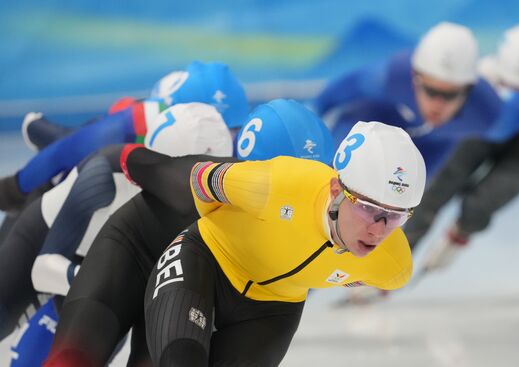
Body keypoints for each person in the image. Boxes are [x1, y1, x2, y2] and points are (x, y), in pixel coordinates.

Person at [107, 120, 426, 366]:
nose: (379, 229)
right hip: (207, 262)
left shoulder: (392, 265)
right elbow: (195, 178)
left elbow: (350, 271)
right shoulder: (275, 184)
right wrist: (127, 158)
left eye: (396, 216)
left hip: (271, 312)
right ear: (335, 190)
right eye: (369, 208)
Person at [43, 99, 335, 367]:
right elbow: (126, 158)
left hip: (199, 286)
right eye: (297, 187)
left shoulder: (332, 216)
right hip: (133, 258)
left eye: (319, 188)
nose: (310, 200)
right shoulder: (203, 181)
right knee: (71, 360)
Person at [1, 102, 234, 367]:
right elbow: (43, 268)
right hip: (44, 245)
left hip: (107, 266)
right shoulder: (106, 175)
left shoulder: (209, 201)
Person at [0, 61, 249, 213]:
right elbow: (74, 148)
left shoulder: (138, 119)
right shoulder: (132, 121)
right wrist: (16, 187)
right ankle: (59, 140)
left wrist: (18, 186)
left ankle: (59, 139)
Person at [312, 22, 519, 180]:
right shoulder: (393, 76)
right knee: (331, 174)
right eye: (431, 91)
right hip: (367, 121)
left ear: (468, 90)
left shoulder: (488, 115)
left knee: (401, 200)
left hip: (429, 145)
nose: (438, 104)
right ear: (415, 80)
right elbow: (339, 90)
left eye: (450, 94)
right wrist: (313, 114)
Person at [404, 24, 519, 271]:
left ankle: (461, 232)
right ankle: (402, 250)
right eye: (509, 86)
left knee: (479, 205)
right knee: (438, 188)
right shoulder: (483, 73)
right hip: (488, 129)